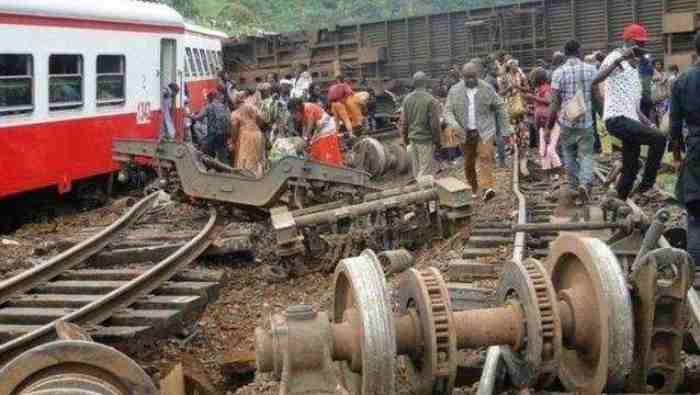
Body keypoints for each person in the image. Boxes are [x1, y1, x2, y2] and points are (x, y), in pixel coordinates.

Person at [593, 24, 668, 201]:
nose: (642, 48)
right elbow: (596, 80)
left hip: (630, 118)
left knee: (631, 168)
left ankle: (618, 203)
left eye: (643, 44)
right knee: (658, 138)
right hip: (617, 118)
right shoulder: (616, 57)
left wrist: (646, 122)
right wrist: (619, 60)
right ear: (630, 42)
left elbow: (633, 105)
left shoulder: (634, 68)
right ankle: (647, 185)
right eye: (639, 44)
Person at [444, 63, 511, 201]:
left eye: (472, 77)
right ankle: (473, 188)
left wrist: (506, 129)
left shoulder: (487, 89)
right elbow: (447, 110)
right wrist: (454, 124)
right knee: (469, 163)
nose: (470, 80)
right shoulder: (454, 91)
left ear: (478, 75)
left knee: (485, 157)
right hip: (464, 132)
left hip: (484, 131)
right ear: (462, 77)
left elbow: (500, 107)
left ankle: (487, 188)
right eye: (467, 78)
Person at [547, 40, 598, 205]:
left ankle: (576, 185)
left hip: (567, 123)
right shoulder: (591, 69)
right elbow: (596, 96)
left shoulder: (558, 73)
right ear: (579, 52)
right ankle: (585, 183)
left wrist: (549, 126)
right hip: (587, 122)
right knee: (587, 155)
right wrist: (604, 115)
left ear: (565, 53)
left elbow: (554, 102)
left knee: (568, 155)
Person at [671, 31, 700, 268]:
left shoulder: (682, 80)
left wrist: (677, 157)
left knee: (696, 214)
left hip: (696, 148)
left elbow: (674, 124)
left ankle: (695, 274)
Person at [400, 71, 442, 181]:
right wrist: (438, 142)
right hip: (425, 141)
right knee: (425, 174)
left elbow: (404, 123)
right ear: (425, 83)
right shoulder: (430, 100)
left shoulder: (407, 99)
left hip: (412, 140)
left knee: (417, 171)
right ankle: (423, 196)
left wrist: (406, 140)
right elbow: (435, 125)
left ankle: (419, 194)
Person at [288, 98, 344, 166]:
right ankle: (321, 165)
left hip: (327, 127)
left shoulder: (307, 107)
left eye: (293, 112)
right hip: (320, 128)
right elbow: (304, 126)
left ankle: (330, 166)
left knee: (323, 147)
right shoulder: (302, 112)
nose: (293, 115)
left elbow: (310, 123)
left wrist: (305, 138)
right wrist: (303, 139)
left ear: (297, 107)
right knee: (315, 147)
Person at [526, 68, 560, 175]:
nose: (531, 81)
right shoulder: (539, 89)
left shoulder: (546, 89)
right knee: (543, 150)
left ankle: (559, 170)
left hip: (551, 124)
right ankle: (547, 172)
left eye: (532, 78)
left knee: (550, 149)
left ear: (537, 79)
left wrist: (533, 98)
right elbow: (540, 106)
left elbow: (549, 101)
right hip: (542, 123)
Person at [190, 90, 231, 163]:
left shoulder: (208, 107)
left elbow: (198, 117)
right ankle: (225, 168)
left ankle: (203, 167)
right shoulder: (223, 106)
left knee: (204, 151)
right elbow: (228, 119)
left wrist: (188, 115)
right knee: (222, 153)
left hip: (213, 134)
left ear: (210, 98)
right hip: (223, 134)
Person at [230, 92, 265, 177]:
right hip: (257, 134)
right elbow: (261, 120)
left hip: (245, 137)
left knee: (245, 158)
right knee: (257, 159)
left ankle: (247, 179)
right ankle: (259, 177)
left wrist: (233, 141)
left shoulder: (235, 113)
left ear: (235, 102)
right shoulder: (253, 107)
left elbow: (234, 129)